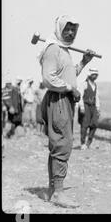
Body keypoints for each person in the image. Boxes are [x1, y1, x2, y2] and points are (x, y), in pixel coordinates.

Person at [38, 15, 95, 208]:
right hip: (59, 100)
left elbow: (69, 75)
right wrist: (71, 89)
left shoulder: (64, 50)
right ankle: (58, 194)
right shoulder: (53, 49)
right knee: (62, 144)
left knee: (58, 145)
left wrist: (84, 62)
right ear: (59, 29)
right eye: (67, 29)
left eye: (74, 30)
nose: (71, 33)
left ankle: (53, 190)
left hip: (65, 100)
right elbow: (48, 78)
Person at [78, 68, 101, 150]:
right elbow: (80, 96)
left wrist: (98, 108)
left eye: (96, 75)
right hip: (85, 105)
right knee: (84, 125)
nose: (95, 76)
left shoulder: (95, 85)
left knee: (94, 124)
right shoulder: (84, 84)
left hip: (93, 106)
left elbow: (97, 97)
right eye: (93, 74)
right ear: (89, 75)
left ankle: (89, 142)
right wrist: (81, 106)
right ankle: (83, 143)